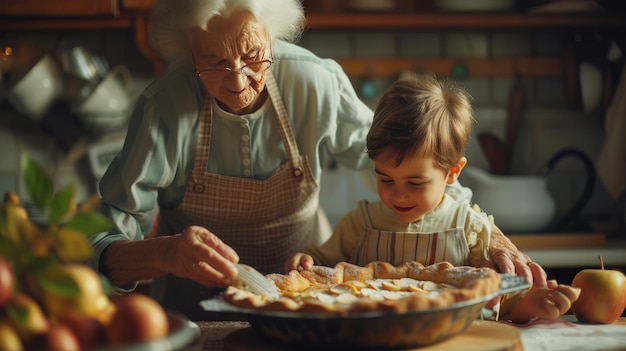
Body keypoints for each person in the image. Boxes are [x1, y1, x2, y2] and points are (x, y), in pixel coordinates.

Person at [87, 0, 546, 318]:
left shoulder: (314, 81)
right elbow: (101, 241)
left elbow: (411, 164)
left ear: (274, 35)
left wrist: (492, 239)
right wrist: (166, 252)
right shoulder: (162, 107)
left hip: (314, 311)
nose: (238, 82)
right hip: (197, 315)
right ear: (187, 52)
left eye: (253, 56)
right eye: (213, 62)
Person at [285, 74, 579, 323]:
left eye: (415, 182)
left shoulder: (470, 228)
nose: (398, 194)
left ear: (452, 172)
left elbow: (501, 303)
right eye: (385, 178)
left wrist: (533, 303)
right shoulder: (359, 224)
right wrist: (306, 261)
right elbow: (320, 273)